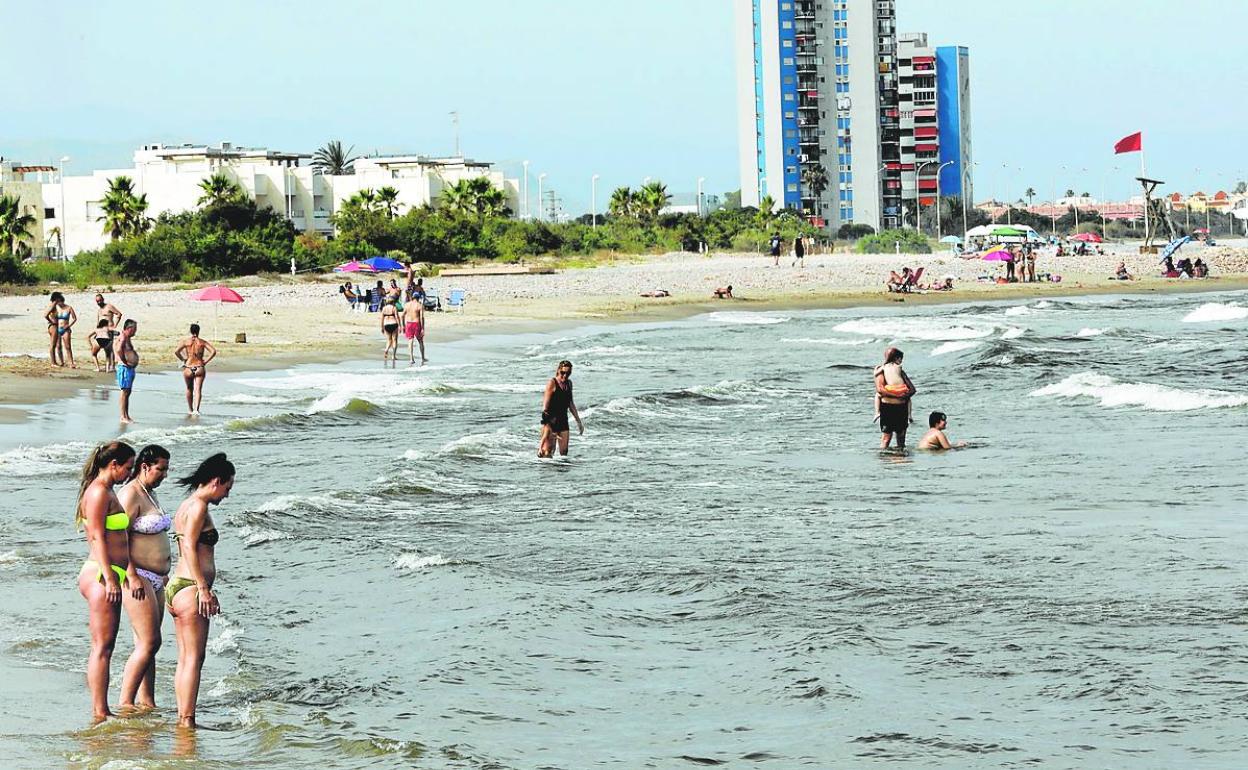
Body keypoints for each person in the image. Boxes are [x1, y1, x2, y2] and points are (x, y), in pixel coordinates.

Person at [167, 453, 234, 728]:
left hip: (178, 587)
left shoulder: (186, 505)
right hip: (190, 589)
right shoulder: (198, 508)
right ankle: (187, 720)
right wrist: (203, 588)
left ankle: (183, 715)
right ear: (216, 482)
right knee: (194, 658)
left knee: (186, 658)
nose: (227, 495)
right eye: (227, 488)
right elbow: (188, 547)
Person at [75, 440, 138, 720]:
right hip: (101, 574)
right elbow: (98, 536)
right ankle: (100, 711)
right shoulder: (99, 492)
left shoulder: (106, 490)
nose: (130, 472)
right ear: (113, 465)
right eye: (128, 467)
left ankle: (102, 709)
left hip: (108, 572)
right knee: (102, 646)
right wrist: (111, 578)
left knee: (106, 645)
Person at [117, 444, 172, 710]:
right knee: (150, 641)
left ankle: (147, 701)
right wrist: (131, 575)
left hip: (157, 578)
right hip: (137, 575)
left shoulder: (149, 493)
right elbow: (118, 537)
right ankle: (125, 703)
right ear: (145, 467)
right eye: (161, 469)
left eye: (166, 470)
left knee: (148, 643)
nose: (165, 475)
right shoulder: (130, 494)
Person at [538, 360, 584, 458]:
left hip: (563, 420)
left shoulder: (569, 384)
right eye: (563, 372)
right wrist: (549, 425)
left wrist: (578, 421)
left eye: (568, 373)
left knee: (564, 454)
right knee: (547, 453)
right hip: (551, 421)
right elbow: (545, 408)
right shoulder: (552, 383)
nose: (565, 376)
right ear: (559, 370)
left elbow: (571, 403)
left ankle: (562, 473)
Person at [874, 347, 915, 450]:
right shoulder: (882, 371)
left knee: (901, 438)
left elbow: (912, 389)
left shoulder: (900, 371)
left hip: (902, 408)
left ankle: (900, 460)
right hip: (888, 408)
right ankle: (884, 462)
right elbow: (880, 389)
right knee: (886, 438)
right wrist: (897, 395)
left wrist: (904, 396)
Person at [175, 324, 217, 416]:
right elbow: (213, 351)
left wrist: (183, 359)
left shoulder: (186, 342)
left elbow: (176, 351)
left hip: (189, 367)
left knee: (189, 389)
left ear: (190, 331)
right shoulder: (202, 342)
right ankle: (196, 410)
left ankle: (190, 409)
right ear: (198, 331)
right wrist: (206, 361)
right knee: (198, 389)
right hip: (199, 366)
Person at [44, 291, 78, 368]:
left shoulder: (67, 307)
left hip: (64, 328)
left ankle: (69, 362)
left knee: (66, 346)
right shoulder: (55, 306)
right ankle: (57, 362)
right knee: (56, 346)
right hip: (55, 327)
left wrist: (69, 326)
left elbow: (74, 318)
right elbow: (47, 314)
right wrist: (51, 321)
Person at [117, 319, 139, 424]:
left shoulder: (127, 338)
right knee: (124, 392)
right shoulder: (123, 337)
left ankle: (126, 415)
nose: (135, 331)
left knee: (127, 392)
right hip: (124, 368)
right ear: (129, 329)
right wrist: (125, 362)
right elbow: (118, 349)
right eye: (135, 329)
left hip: (129, 368)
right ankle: (122, 416)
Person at [92, 293, 123, 371]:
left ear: (103, 299)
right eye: (97, 301)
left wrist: (114, 325)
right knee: (100, 348)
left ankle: (112, 366)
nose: (99, 302)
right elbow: (98, 321)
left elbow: (119, 314)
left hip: (109, 330)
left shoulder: (109, 307)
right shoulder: (99, 310)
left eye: (100, 300)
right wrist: (96, 331)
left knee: (109, 349)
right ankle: (108, 366)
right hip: (100, 331)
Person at [402, 293, 427, 365]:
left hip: (409, 323)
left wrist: (403, 325)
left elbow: (402, 315)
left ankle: (411, 358)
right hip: (416, 323)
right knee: (420, 341)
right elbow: (422, 317)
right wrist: (422, 328)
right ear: (418, 298)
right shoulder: (419, 305)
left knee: (410, 340)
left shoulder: (407, 305)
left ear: (412, 297)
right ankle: (422, 357)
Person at [380, 297, 400, 362]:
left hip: (386, 324)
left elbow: (382, 319)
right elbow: (397, 317)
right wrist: (400, 326)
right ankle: (393, 356)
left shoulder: (384, 308)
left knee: (389, 340)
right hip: (394, 323)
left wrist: (382, 327)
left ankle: (386, 350)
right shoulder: (394, 308)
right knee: (394, 340)